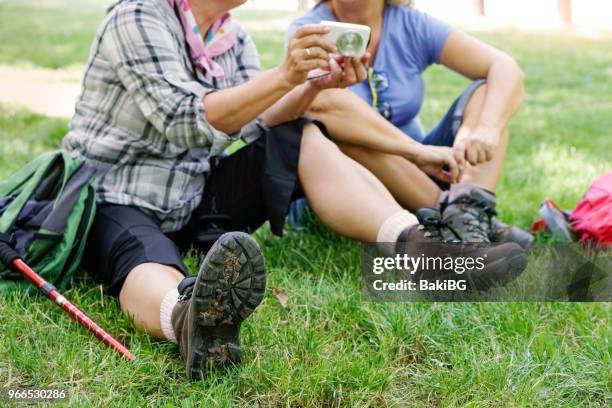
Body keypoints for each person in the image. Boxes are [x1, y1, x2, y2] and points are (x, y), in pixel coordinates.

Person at [63, 0, 527, 379]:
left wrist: (312, 88)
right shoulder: (139, 16)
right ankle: (190, 322)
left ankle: (418, 248)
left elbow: (260, 120)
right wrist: (286, 77)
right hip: (118, 195)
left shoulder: (232, 37)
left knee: (298, 135)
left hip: (194, 190)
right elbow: (183, 121)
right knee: (142, 253)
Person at [288, 0, 534, 248]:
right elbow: (320, 104)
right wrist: (414, 151)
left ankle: (466, 214)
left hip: (418, 177)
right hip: (348, 185)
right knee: (335, 121)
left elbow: (504, 67)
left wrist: (487, 128)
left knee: (488, 93)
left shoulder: (410, 24)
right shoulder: (311, 30)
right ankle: (457, 216)